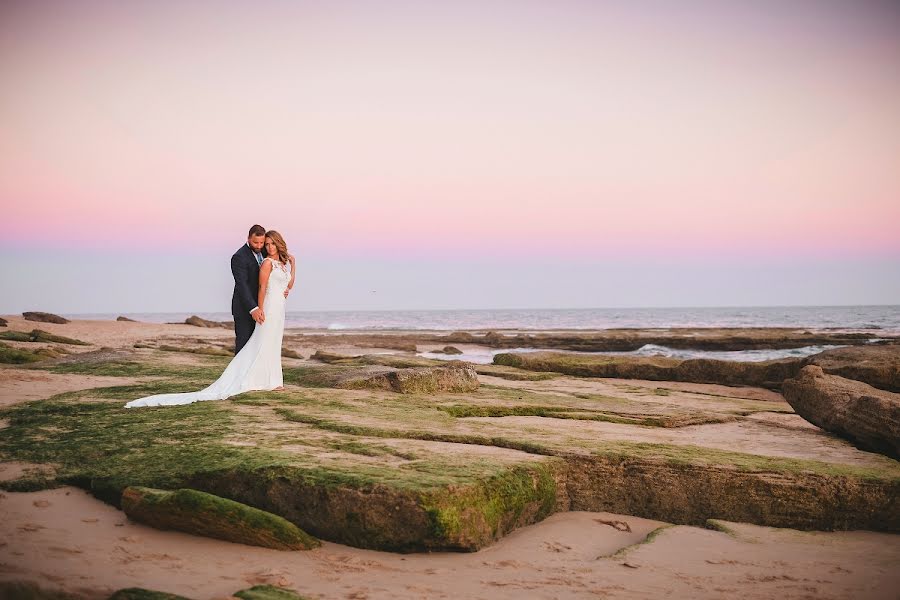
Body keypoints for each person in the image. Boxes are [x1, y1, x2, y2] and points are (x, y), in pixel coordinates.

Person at [125, 230, 296, 408]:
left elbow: (283, 283)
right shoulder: (241, 257)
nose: (263, 247)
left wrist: (292, 267)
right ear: (248, 239)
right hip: (252, 307)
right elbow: (248, 286)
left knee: (269, 343)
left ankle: (270, 379)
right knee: (250, 343)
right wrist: (257, 308)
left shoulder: (268, 257)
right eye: (260, 243)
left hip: (276, 308)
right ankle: (243, 380)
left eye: (267, 244)